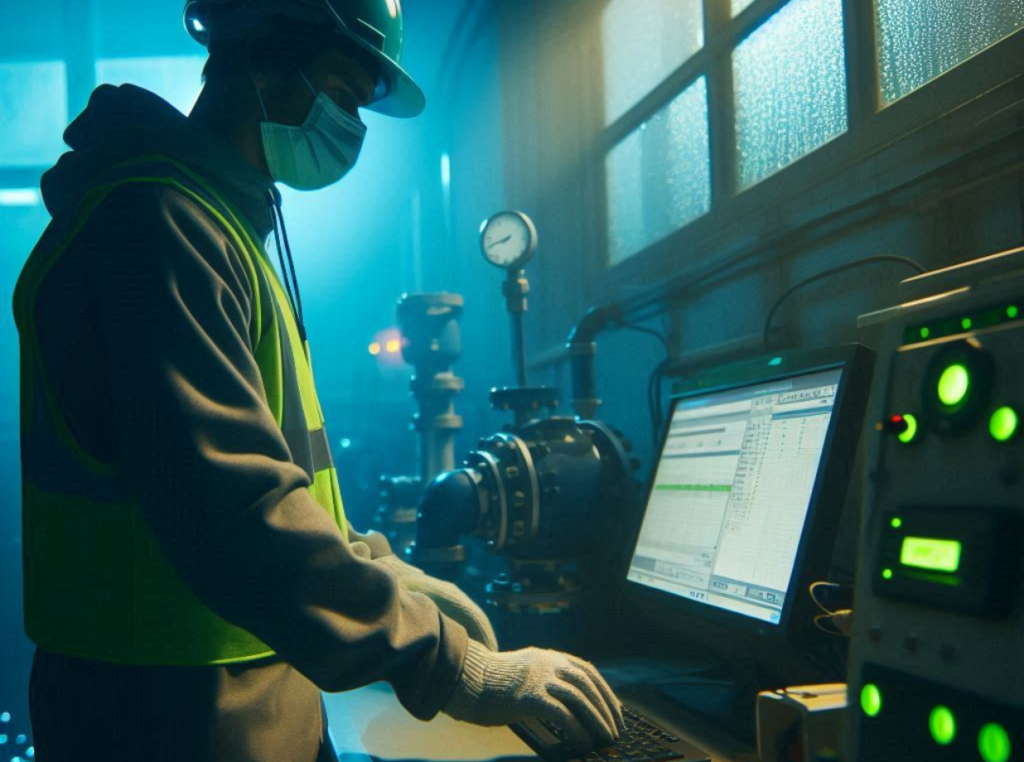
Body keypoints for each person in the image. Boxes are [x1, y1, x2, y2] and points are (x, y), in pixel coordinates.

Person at [13, 1, 625, 760]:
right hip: (169, 717)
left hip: (245, 701)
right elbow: (236, 512)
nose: (351, 130)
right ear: (262, 53)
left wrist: (390, 577)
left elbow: (288, 486)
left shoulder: (220, 225)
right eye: (340, 92)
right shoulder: (156, 224)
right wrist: (453, 663)